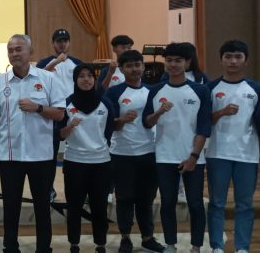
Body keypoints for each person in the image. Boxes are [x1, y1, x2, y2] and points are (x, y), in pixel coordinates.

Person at [0, 34, 66, 253]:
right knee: (10, 206)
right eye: (11, 50)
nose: (14, 54)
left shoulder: (48, 79)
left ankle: (43, 248)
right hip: (10, 156)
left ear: (30, 52)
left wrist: (38, 108)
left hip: (41, 155)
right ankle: (10, 247)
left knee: (42, 205)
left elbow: (60, 114)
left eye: (19, 49)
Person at [143, 42, 211, 253]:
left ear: (187, 63)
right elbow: (147, 122)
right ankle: (170, 244)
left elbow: (204, 127)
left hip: (193, 157)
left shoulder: (200, 90)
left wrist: (193, 156)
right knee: (167, 202)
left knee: (195, 203)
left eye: (178, 61)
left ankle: (196, 246)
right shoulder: (155, 90)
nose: (173, 64)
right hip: (164, 156)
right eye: (169, 60)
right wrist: (159, 112)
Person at [104, 50, 165, 253]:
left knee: (146, 199)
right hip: (122, 153)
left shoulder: (152, 91)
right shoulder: (114, 92)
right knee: (124, 198)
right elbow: (108, 125)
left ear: (143, 66)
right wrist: (121, 120)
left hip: (149, 151)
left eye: (137, 64)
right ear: (121, 69)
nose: (134, 69)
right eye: (129, 66)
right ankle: (125, 238)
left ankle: (148, 237)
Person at [205, 40, 260, 253]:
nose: (233, 61)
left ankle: (242, 247)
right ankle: (217, 246)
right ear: (221, 60)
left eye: (238, 56)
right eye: (228, 56)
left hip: (247, 154)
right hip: (217, 153)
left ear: (245, 60)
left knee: (245, 204)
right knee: (217, 203)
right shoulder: (210, 88)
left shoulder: (255, 89)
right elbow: (202, 122)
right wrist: (221, 112)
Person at [59, 64, 114, 253]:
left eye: (90, 76)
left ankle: (101, 243)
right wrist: (70, 127)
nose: (86, 79)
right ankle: (74, 243)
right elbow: (60, 135)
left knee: (99, 207)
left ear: (94, 79)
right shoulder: (67, 103)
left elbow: (109, 132)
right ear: (75, 80)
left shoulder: (105, 103)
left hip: (101, 163)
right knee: (74, 206)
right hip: (74, 163)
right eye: (81, 76)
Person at [35, 28, 83, 202]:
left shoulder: (77, 63)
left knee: (79, 149)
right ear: (53, 43)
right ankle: (49, 189)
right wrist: (56, 62)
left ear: (69, 43)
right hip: (54, 111)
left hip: (74, 110)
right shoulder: (45, 62)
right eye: (59, 41)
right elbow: (38, 80)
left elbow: (84, 84)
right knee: (51, 153)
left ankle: (81, 190)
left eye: (65, 41)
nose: (62, 44)